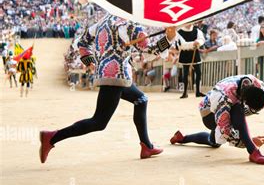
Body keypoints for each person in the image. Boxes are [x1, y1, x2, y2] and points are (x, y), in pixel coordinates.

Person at [38, 14, 177, 163]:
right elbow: (149, 52)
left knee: (141, 99)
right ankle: (52, 137)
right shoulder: (129, 23)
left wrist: (91, 62)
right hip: (117, 76)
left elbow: (82, 43)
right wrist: (169, 38)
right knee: (98, 122)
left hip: (108, 74)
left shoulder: (103, 21)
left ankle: (147, 146)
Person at [169, 75, 264, 165]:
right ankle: (253, 152)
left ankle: (182, 138)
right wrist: (249, 143)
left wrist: (247, 138)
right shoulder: (224, 98)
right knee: (237, 109)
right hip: (208, 113)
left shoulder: (257, 84)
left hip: (227, 106)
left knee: (213, 141)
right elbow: (226, 132)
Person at [178, 24, 206, 99]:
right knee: (185, 74)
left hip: (195, 52)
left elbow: (202, 39)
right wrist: (192, 43)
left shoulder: (197, 30)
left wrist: (198, 42)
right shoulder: (179, 32)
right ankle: (185, 92)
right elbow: (182, 44)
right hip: (185, 53)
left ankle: (198, 91)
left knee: (198, 72)